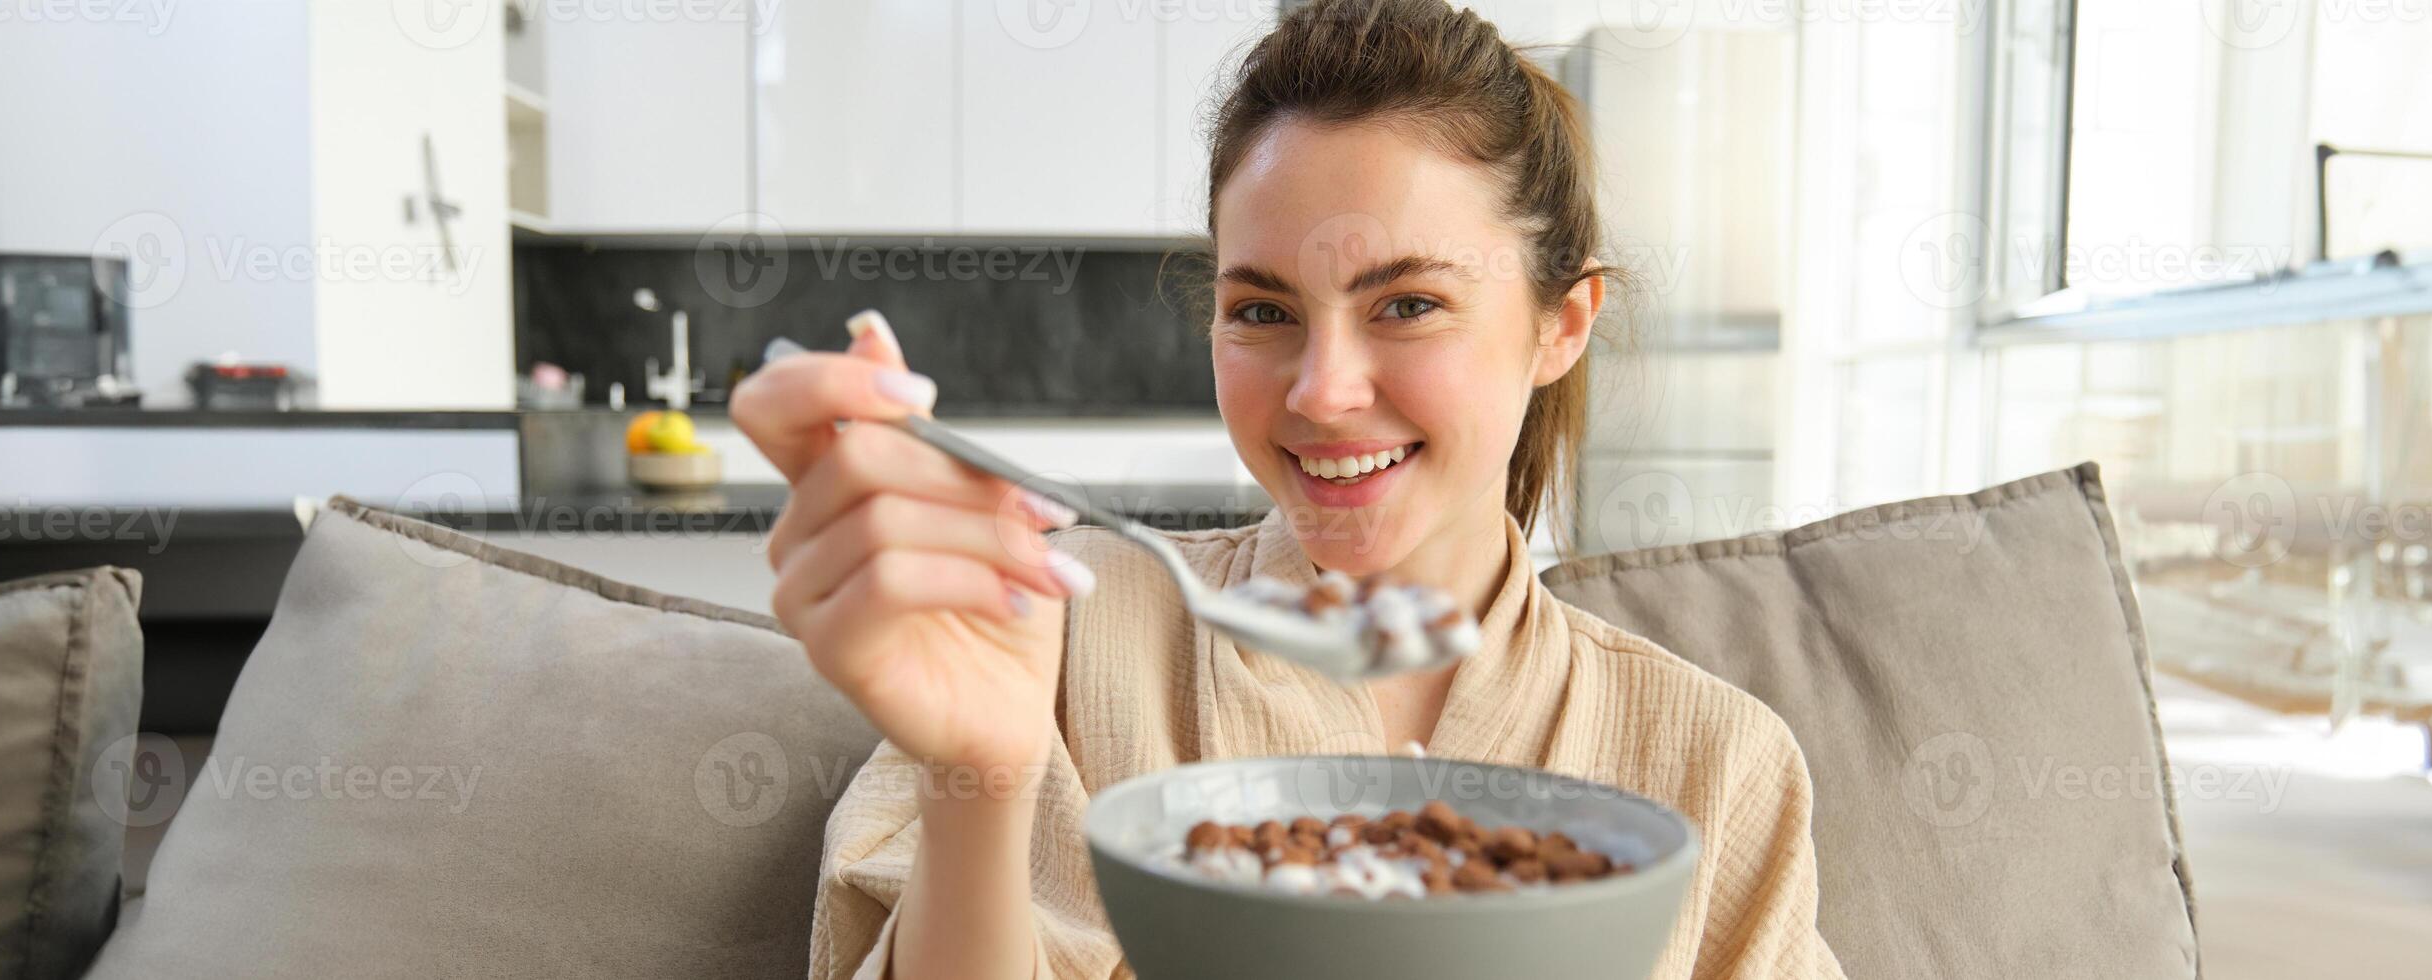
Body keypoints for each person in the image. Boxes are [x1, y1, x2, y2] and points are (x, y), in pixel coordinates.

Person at [730, 1, 1844, 977]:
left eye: (1407, 303)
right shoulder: (1062, 642)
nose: (1320, 392)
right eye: (1262, 310)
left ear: (1560, 324)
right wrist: (978, 775)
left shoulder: (1713, 761)